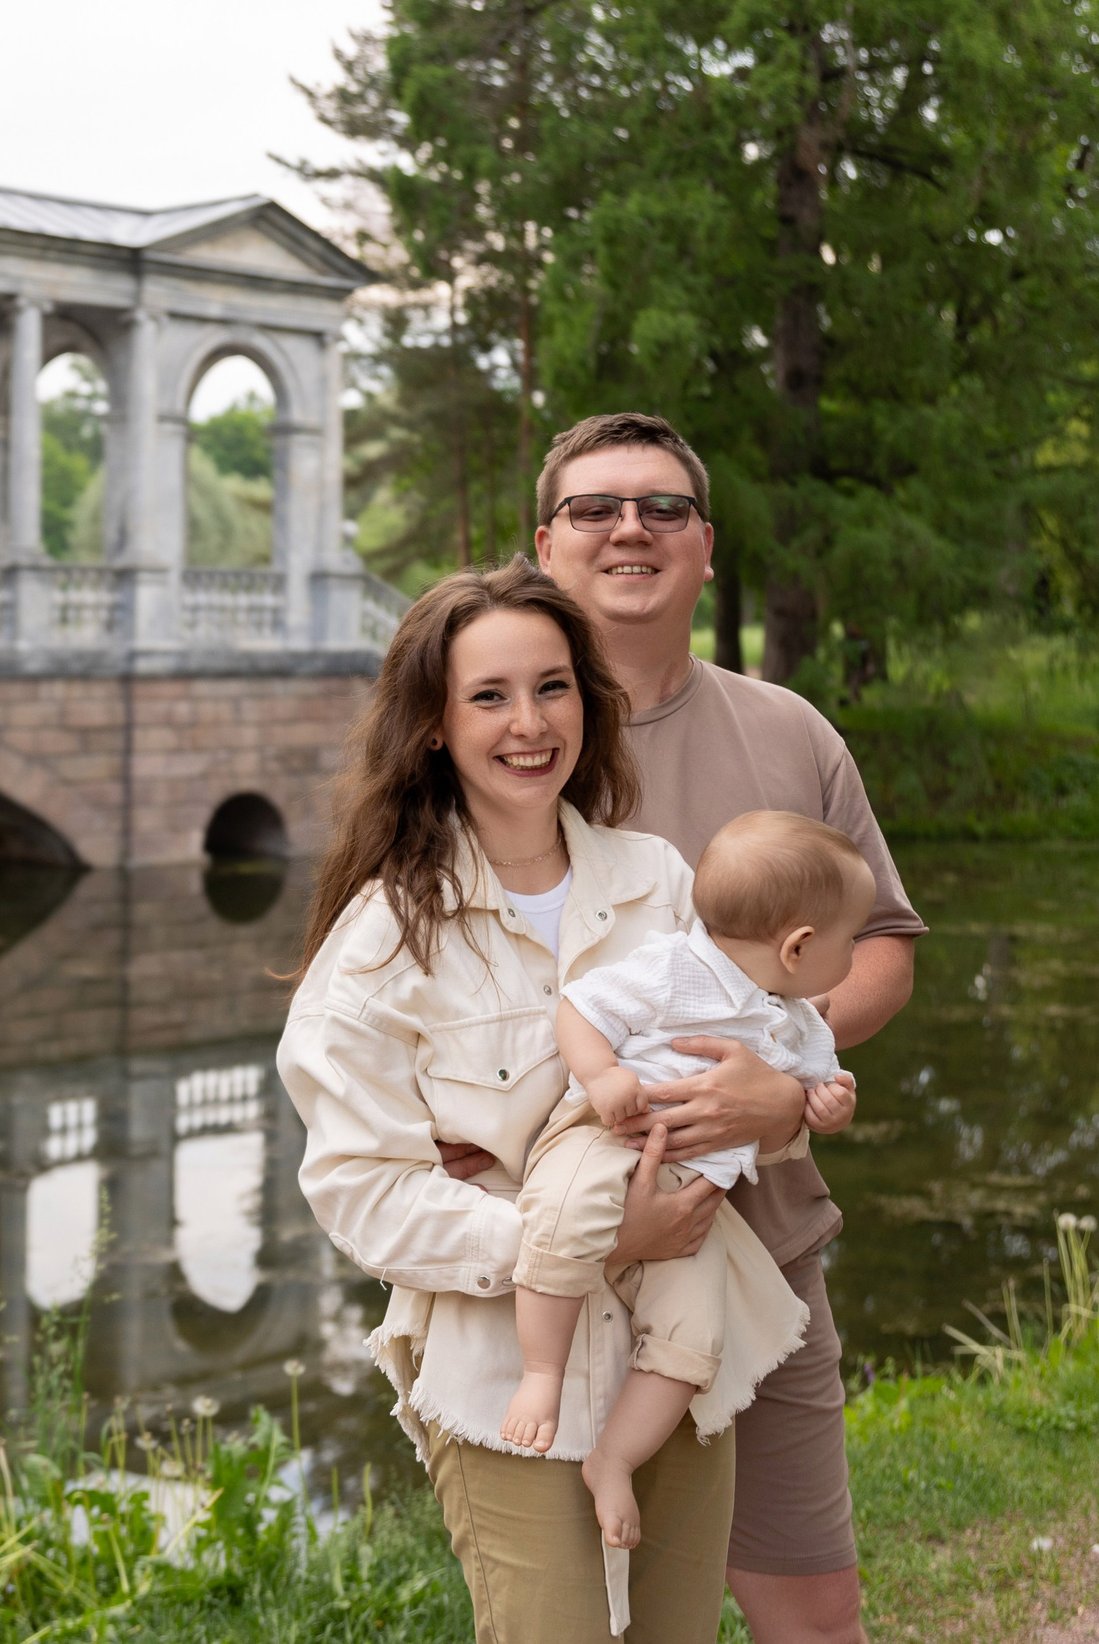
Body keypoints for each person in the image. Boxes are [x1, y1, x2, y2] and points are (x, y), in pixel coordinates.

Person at [446, 412, 927, 1644]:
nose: (631, 529)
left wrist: (781, 1075)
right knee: (588, 1624)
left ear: (706, 547)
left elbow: (881, 948)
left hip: (758, 1245)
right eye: (595, 508)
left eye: (663, 507)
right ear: (541, 544)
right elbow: (404, 998)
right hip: (548, 1266)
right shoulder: (492, 744)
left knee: (810, 1613)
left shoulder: (788, 732)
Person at [278, 559, 736, 1644]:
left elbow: (732, 1069)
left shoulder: (659, 883)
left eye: (552, 687)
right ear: (433, 727)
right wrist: (575, 1231)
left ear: (588, 699)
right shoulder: (385, 940)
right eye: (488, 696)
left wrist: (759, 1100)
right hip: (502, 1385)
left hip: (676, 1359)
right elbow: (358, 1191)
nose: (528, 724)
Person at [505, 810, 877, 1613]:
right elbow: (581, 1008)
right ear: (798, 946)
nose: (854, 958)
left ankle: (614, 1458)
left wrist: (829, 1103)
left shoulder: (799, 1019)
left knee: (695, 1336)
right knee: (562, 1215)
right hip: (609, 1138)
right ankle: (542, 1373)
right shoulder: (674, 967)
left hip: (694, 1200)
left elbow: (815, 1088)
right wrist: (602, 1074)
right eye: (850, 941)